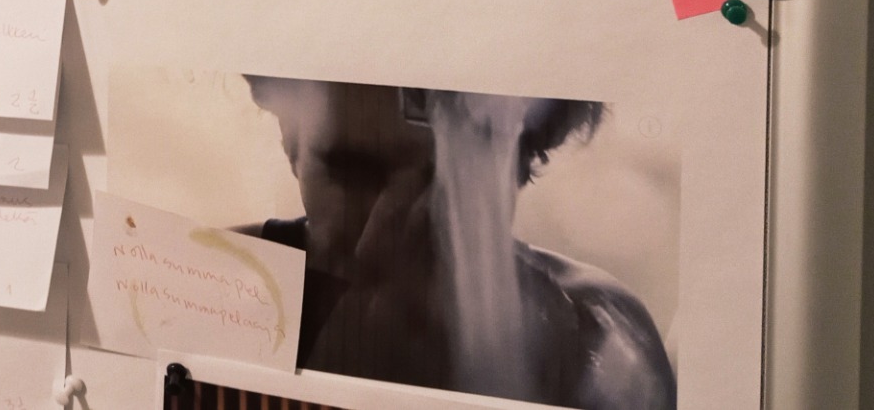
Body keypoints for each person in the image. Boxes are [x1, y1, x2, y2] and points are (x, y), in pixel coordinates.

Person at [244, 76, 675, 410]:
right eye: (353, 172)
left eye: (449, 185)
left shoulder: (594, 338)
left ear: (521, 160)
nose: (379, 239)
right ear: (289, 137)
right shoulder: (228, 285)